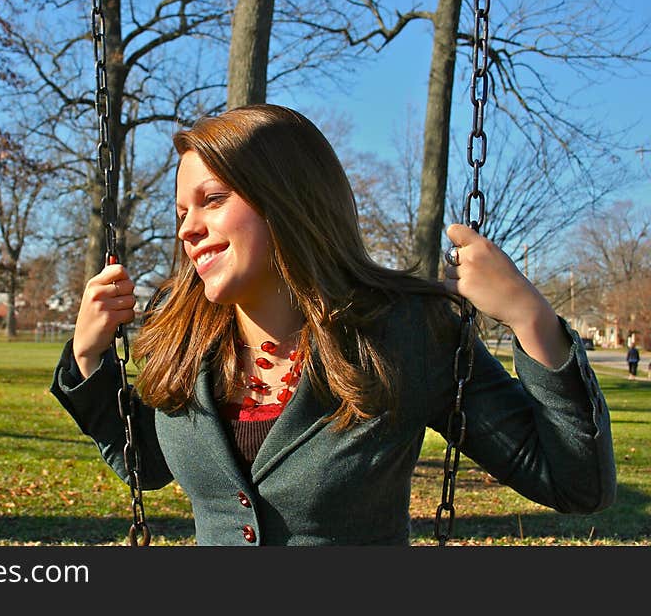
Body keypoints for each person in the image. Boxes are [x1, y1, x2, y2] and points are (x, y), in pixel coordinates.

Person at [50, 104, 616, 545]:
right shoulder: (185, 336)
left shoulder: (404, 334)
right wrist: (87, 360)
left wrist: (529, 317)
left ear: (288, 201)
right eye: (181, 212)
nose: (188, 230)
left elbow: (575, 483)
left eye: (212, 200)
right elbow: (147, 464)